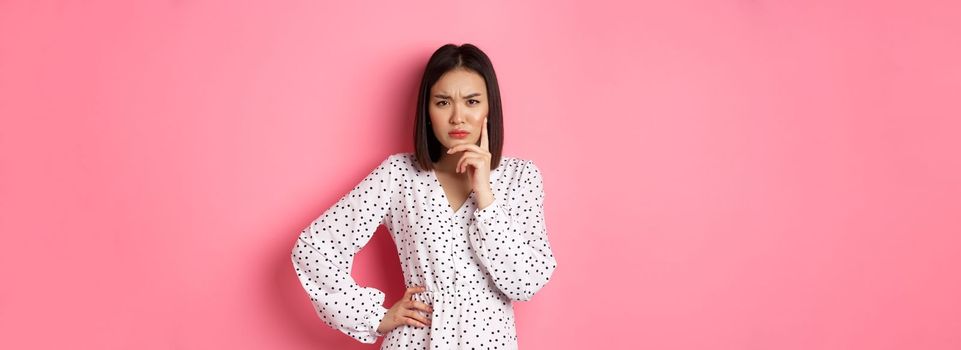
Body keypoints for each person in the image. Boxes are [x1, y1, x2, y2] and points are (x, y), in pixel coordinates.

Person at [291, 43, 557, 349]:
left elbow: (525, 283)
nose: (458, 117)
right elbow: (315, 247)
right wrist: (372, 317)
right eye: (443, 103)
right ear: (428, 112)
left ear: (489, 108)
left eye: (471, 101)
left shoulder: (520, 178)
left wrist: (485, 194)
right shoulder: (399, 175)